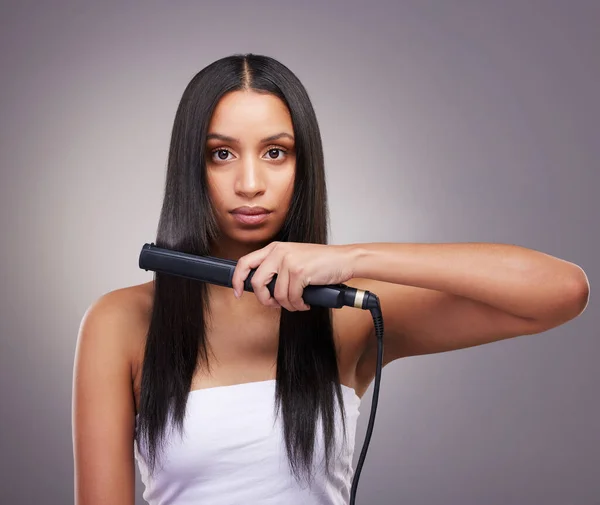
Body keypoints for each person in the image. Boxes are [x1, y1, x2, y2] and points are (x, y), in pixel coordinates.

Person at [72, 53, 590, 505]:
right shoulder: (120, 322)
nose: (249, 184)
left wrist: (352, 257)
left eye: (275, 152)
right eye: (222, 153)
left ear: (304, 164)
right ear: (192, 165)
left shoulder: (347, 311)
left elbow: (560, 292)